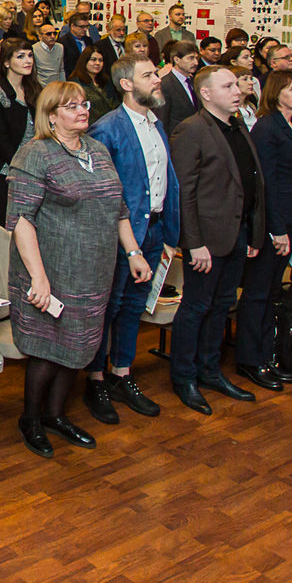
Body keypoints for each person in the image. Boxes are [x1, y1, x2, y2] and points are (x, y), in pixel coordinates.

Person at [8, 81, 147, 457]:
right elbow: (20, 219)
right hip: (51, 267)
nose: (83, 110)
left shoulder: (98, 150)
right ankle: (31, 419)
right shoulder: (35, 153)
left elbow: (118, 208)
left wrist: (134, 252)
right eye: (71, 107)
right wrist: (38, 276)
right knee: (47, 348)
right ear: (51, 116)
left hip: (94, 268)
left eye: (84, 103)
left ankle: (56, 415)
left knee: (80, 345)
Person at [82, 58, 179, 420]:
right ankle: (95, 379)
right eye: (149, 76)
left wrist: (169, 229)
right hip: (121, 234)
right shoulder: (108, 129)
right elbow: (104, 192)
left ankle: (121, 373)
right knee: (109, 307)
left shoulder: (156, 123)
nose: (157, 81)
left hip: (153, 228)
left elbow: (164, 177)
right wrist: (129, 244)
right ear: (126, 85)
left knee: (135, 306)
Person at [169, 66, 266, 415]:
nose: (238, 90)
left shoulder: (237, 125)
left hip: (237, 233)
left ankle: (210, 370)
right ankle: (184, 376)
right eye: (227, 85)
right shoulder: (191, 130)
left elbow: (251, 183)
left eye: (237, 84)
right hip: (207, 239)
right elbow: (184, 192)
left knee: (223, 304)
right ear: (206, 94)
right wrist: (193, 243)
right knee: (196, 307)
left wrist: (254, 232)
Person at [237, 72, 292, 389]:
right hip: (272, 223)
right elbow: (267, 183)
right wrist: (278, 228)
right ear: (276, 92)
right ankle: (250, 360)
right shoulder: (268, 127)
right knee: (258, 292)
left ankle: (266, 354)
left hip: (290, 218)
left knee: (271, 292)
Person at [0, 37, 40, 225]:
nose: (28, 61)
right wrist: (22, 167)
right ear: (6, 62)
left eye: (30, 55)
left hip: (36, 170)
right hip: (7, 173)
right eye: (21, 56)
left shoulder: (36, 90)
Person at [156, 41, 202, 132]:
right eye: (191, 58)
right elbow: (162, 120)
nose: (196, 62)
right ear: (176, 60)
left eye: (197, 58)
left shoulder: (194, 81)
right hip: (176, 139)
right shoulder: (165, 84)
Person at [71, 44, 119, 124]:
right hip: (89, 127)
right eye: (93, 60)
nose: (97, 63)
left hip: (111, 124)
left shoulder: (106, 80)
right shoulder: (76, 84)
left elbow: (116, 102)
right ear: (85, 61)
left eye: (100, 60)